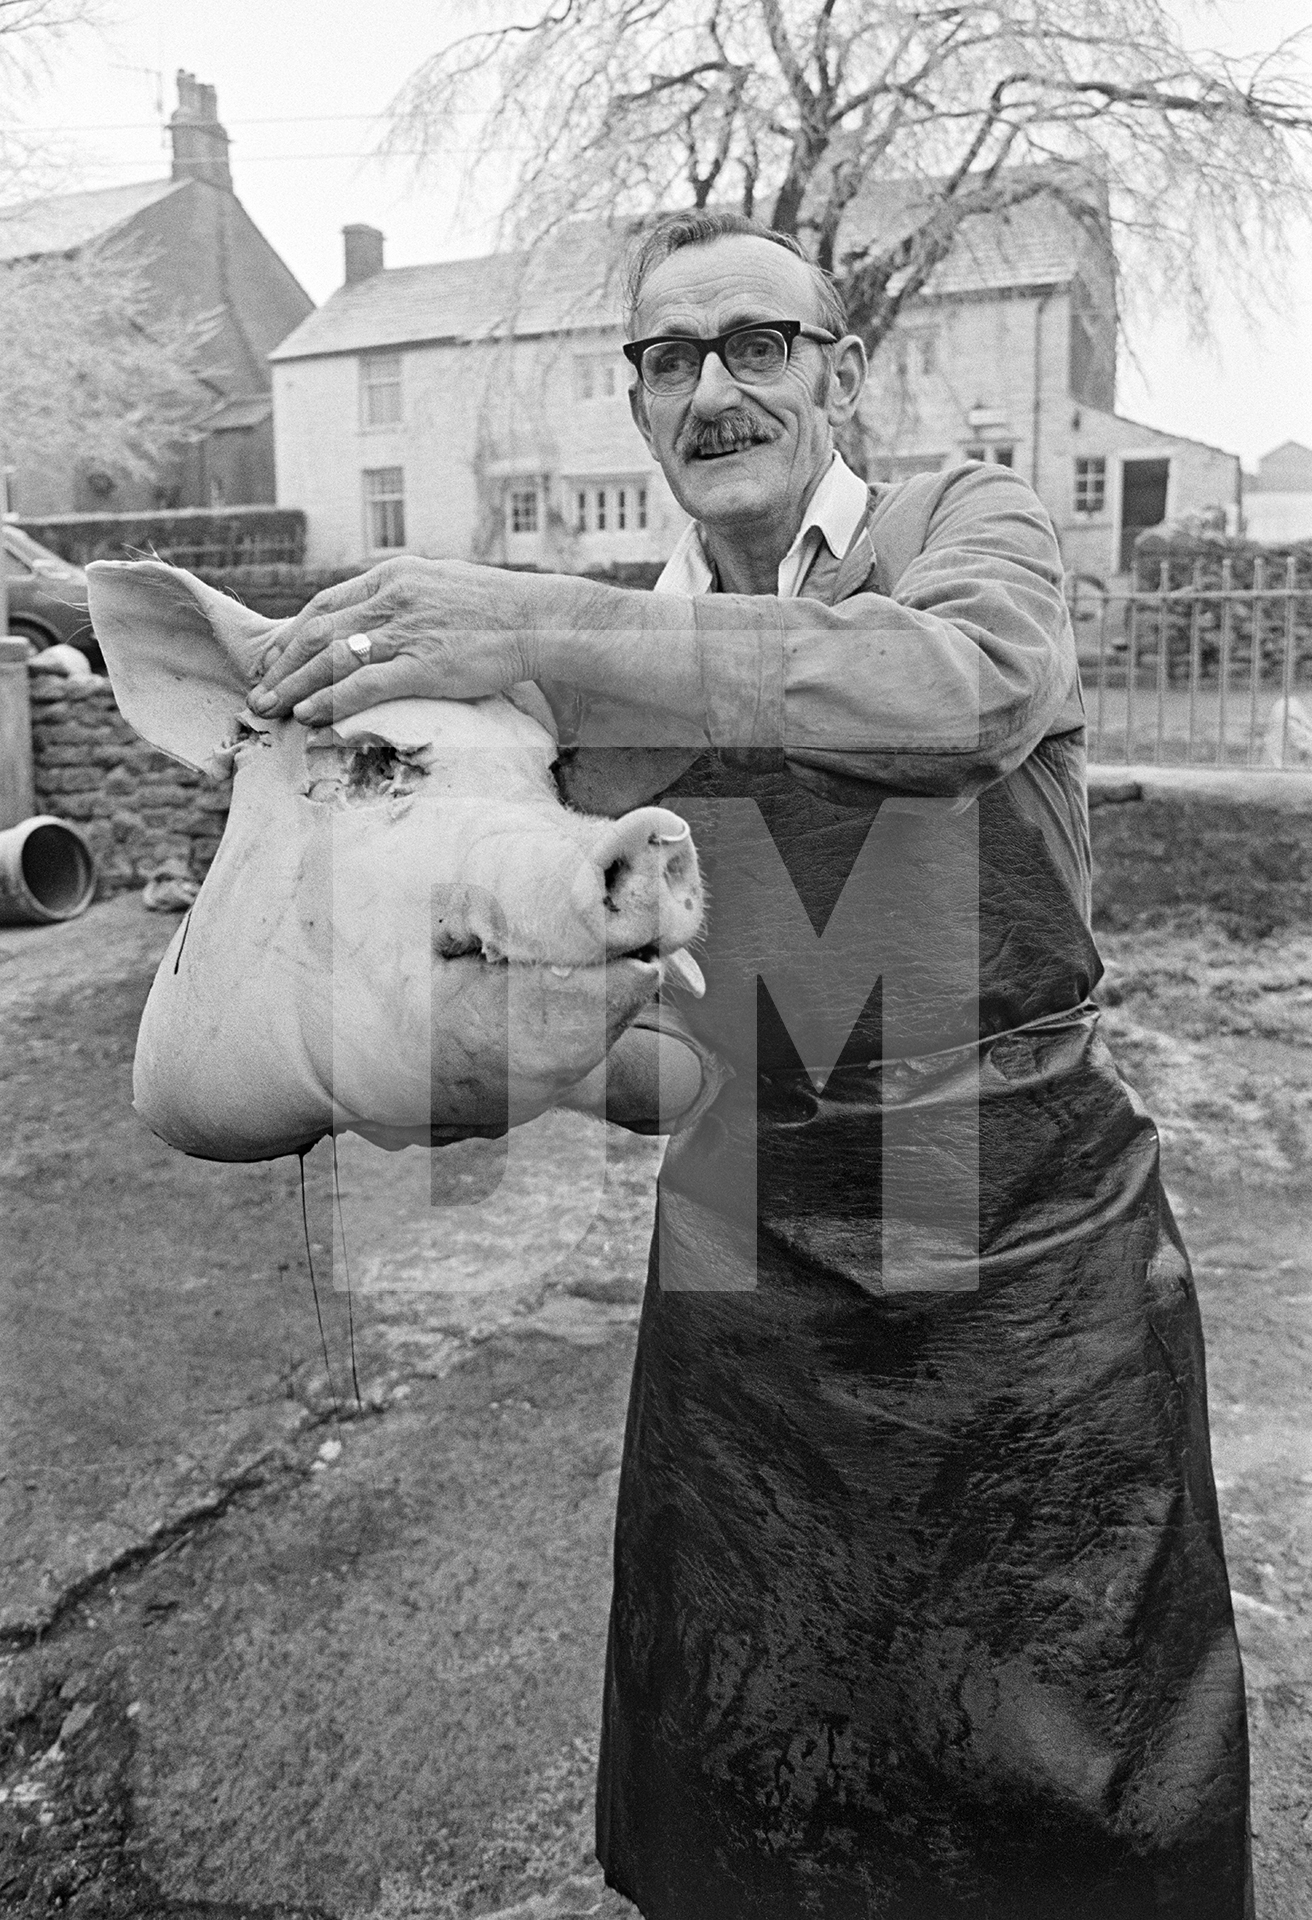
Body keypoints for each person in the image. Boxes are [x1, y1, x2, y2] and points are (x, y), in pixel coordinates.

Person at [251, 210, 1252, 1920]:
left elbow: (957, 696)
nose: (714, 388)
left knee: (1080, 1768)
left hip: (1029, 1260)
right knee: (761, 1739)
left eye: (758, 345)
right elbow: (624, 1003)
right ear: (637, 406)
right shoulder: (599, 675)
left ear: (839, 374)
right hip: (752, 1263)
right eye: (669, 359)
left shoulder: (961, 527)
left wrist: (533, 621)